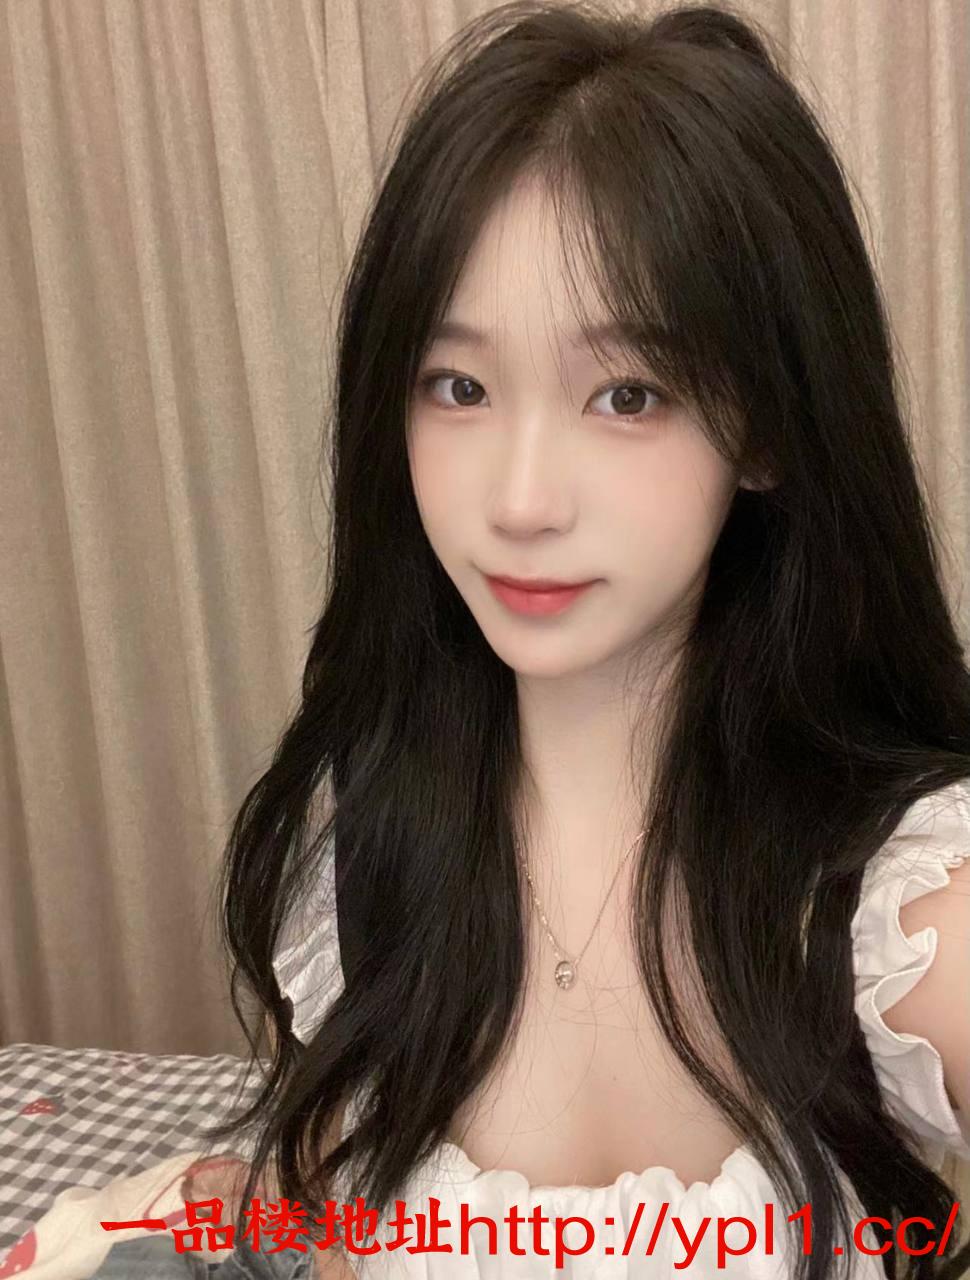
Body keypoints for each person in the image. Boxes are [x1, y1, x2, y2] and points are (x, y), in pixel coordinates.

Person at [202, 2, 970, 1276]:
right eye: (459, 386)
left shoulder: (901, 914)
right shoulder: (367, 873)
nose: (518, 500)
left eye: (626, 393)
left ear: (766, 426)